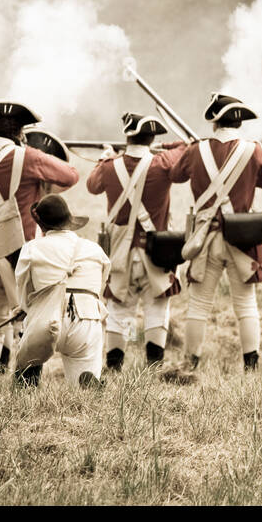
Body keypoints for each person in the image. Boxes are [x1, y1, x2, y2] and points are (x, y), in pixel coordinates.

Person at [169, 92, 262, 372]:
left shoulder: (196, 150)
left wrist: (188, 151)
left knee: (198, 305)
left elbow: (175, 175)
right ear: (239, 122)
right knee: (245, 304)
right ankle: (251, 366)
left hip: (204, 240)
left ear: (214, 122)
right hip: (241, 239)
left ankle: (189, 363)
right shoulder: (253, 149)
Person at [0, 100, 79, 373]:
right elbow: (70, 176)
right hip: (22, 246)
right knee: (29, 312)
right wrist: (38, 160)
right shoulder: (28, 156)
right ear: (20, 131)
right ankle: (28, 374)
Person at [86, 113, 185, 371]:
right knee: (157, 307)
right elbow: (185, 146)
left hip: (119, 251)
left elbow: (92, 185)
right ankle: (154, 367)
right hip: (157, 250)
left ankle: (116, 366)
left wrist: (106, 156)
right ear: (152, 138)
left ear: (127, 136)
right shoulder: (162, 162)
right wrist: (164, 147)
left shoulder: (109, 166)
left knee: (120, 309)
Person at [10, 195, 111, 388]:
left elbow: (23, 292)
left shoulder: (32, 248)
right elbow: (99, 288)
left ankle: (27, 387)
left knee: (28, 346)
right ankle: (87, 385)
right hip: (86, 320)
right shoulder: (94, 249)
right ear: (69, 220)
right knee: (83, 386)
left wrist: (26, 309)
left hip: (46, 321)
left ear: (40, 224)